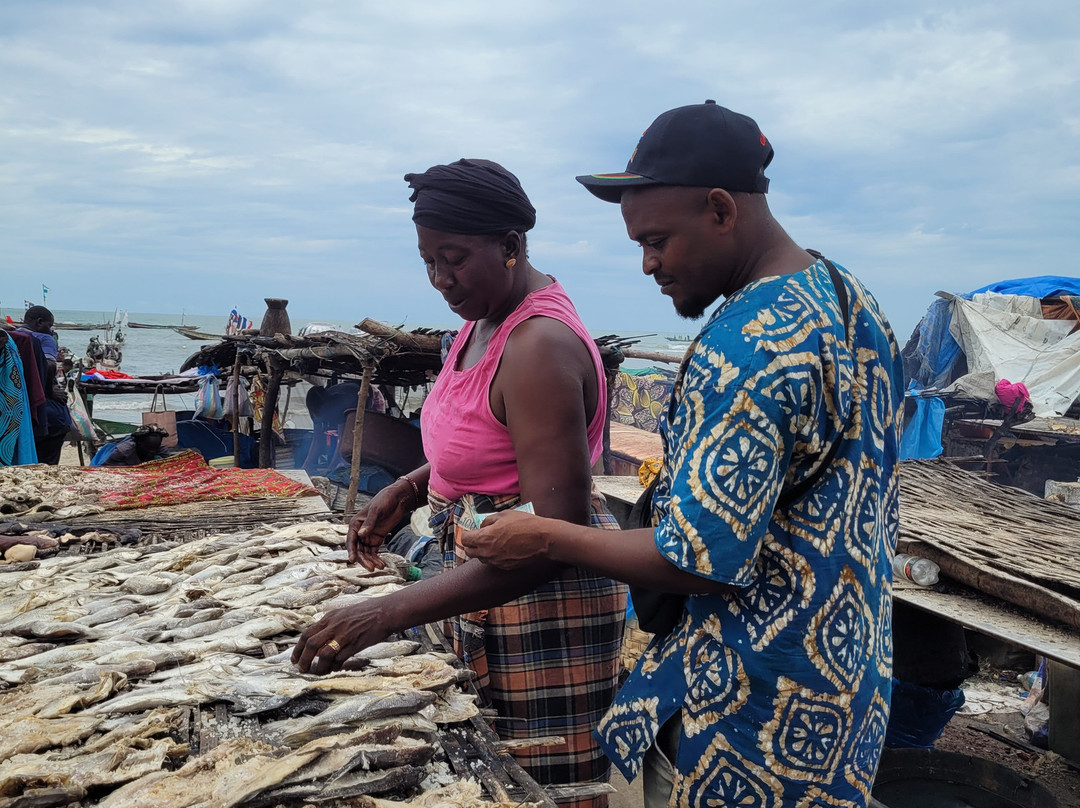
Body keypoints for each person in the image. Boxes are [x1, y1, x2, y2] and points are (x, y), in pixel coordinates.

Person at [461, 101, 904, 808]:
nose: (647, 265)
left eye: (658, 240)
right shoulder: (851, 300)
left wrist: (545, 534)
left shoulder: (747, 345)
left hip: (748, 721)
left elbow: (694, 561)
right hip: (846, 687)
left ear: (722, 210)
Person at [293, 159, 627, 808]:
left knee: (536, 790)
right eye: (428, 262)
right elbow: (485, 444)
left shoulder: (538, 347)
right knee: (472, 781)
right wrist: (414, 487)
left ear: (510, 246)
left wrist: (384, 612)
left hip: (537, 610)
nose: (441, 280)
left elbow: (551, 539)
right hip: (476, 585)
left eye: (454, 258)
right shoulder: (477, 324)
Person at [17, 306, 71, 464]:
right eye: (50, 325)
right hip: (47, 415)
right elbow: (49, 366)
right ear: (39, 322)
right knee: (46, 466)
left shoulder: (13, 336)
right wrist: (49, 392)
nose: (51, 330)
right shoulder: (43, 338)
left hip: (21, 410)